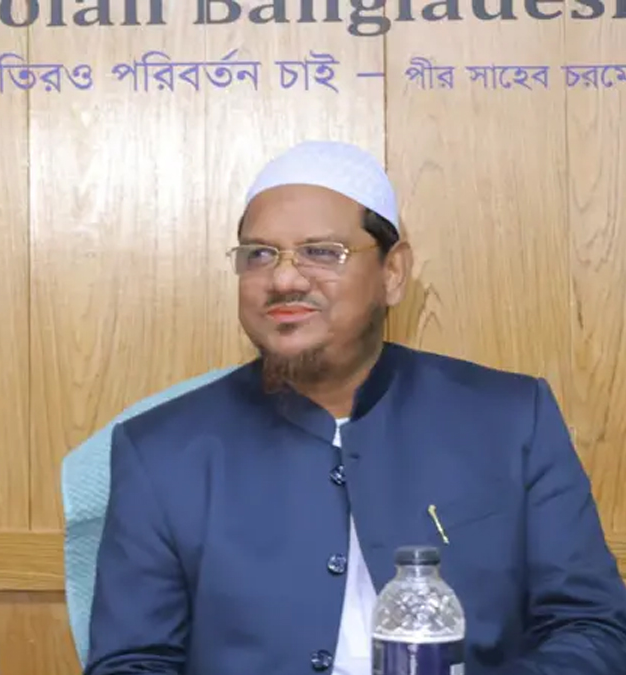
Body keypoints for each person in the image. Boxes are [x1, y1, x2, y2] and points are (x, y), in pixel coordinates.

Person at [84, 140, 626, 675]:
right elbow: (131, 663)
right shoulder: (160, 451)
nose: (284, 278)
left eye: (322, 252)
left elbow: (593, 628)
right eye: (260, 255)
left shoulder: (510, 419)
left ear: (393, 273)